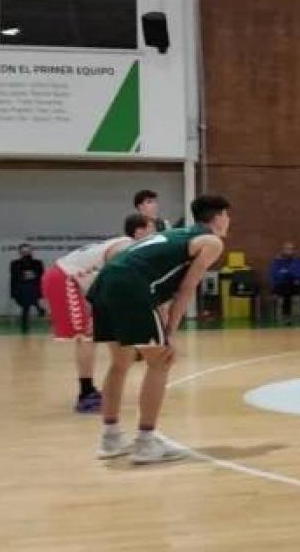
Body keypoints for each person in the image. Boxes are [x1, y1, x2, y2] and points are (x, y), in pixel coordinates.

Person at [91, 194, 230, 465]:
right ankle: (146, 442)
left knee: (120, 363)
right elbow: (186, 289)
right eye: (227, 215)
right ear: (219, 216)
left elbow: (155, 272)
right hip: (132, 286)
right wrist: (170, 333)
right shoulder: (211, 242)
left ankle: (110, 439)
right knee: (161, 361)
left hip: (106, 281)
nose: (229, 221)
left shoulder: (176, 234)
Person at [42, 213, 154, 413]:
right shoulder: (126, 246)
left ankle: (94, 387)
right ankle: (86, 394)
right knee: (86, 336)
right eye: (152, 230)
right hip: (65, 279)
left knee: (96, 331)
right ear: (139, 232)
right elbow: (113, 280)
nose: (155, 236)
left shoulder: (125, 246)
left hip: (76, 282)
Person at [10, 243, 46, 333]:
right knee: (26, 304)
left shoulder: (37, 263)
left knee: (26, 305)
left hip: (33, 288)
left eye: (27, 251)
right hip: (21, 289)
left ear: (31, 251)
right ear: (20, 252)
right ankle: (38, 308)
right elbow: (16, 277)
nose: (25, 252)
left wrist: (27, 275)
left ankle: (25, 324)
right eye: (23, 251)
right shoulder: (15, 263)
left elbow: (40, 275)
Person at [269, 241, 300, 323]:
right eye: (287, 249)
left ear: (294, 251)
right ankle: (283, 317)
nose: (289, 251)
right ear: (283, 250)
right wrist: (288, 273)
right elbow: (275, 275)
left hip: (294, 286)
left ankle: (292, 317)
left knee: (292, 286)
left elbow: (298, 274)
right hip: (280, 286)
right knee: (284, 287)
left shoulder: (298, 261)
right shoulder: (277, 262)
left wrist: (285, 272)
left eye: (291, 249)